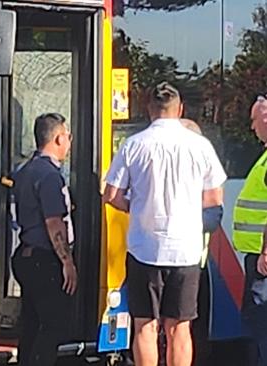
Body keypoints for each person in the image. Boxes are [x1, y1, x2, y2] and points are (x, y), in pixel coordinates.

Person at [103, 82, 226, 366]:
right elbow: (214, 197)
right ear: (180, 109)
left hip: (145, 249)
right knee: (180, 329)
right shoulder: (200, 146)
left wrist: (138, 207)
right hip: (186, 251)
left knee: (145, 326)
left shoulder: (133, 145)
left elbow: (111, 194)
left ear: (149, 110)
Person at [10, 112, 77, 366]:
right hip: (45, 259)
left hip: (26, 256)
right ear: (58, 138)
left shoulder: (26, 170)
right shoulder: (50, 175)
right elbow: (54, 222)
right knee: (53, 326)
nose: (69, 142)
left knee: (31, 324)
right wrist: (67, 262)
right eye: (68, 136)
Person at [231, 96, 267, 366]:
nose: (252, 127)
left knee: (260, 320)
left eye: (254, 120)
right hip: (256, 254)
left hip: (263, 259)